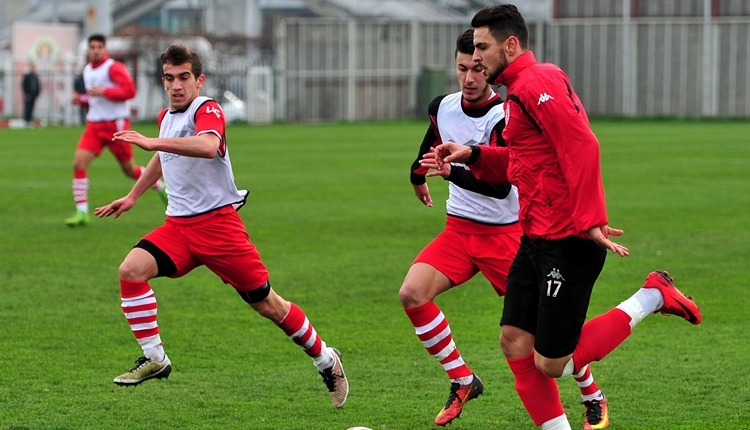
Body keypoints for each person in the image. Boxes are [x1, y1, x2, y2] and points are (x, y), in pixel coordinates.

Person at [425, 5, 702, 430]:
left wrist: (591, 219)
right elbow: (524, 161)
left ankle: (653, 295)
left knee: (553, 363)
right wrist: (475, 154)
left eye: (483, 46)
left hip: (569, 240)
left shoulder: (537, 83)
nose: (475, 57)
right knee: (515, 342)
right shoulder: (519, 91)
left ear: (510, 45)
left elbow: (583, 146)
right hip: (535, 236)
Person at [94, 44, 349, 408]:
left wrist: (150, 142)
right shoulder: (167, 116)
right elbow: (164, 159)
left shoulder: (207, 109)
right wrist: (133, 195)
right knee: (130, 270)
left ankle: (326, 358)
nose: (177, 85)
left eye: (184, 77)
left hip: (219, 228)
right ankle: (155, 358)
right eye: (169, 78)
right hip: (178, 229)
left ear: (199, 80)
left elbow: (207, 146)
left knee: (269, 306)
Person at [403, 29, 609, 428]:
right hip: (460, 232)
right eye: (462, 67)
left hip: (507, 234)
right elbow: (431, 142)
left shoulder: (509, 107)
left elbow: (502, 185)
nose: (470, 76)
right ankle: (463, 380)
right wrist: (417, 175)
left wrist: (456, 172)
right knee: (412, 294)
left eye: (478, 65)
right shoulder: (442, 106)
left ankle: (591, 392)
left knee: (549, 343)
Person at [66, 34, 167, 227]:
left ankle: (161, 187)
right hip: (94, 125)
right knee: (79, 163)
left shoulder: (113, 68)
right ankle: (81, 212)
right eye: (92, 47)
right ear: (88, 50)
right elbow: (94, 99)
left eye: (99, 47)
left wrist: (105, 92)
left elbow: (130, 91)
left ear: (105, 49)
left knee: (130, 170)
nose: (95, 50)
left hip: (116, 126)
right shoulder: (87, 70)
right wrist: (81, 100)